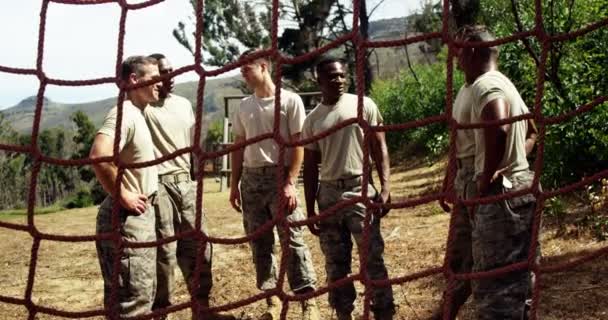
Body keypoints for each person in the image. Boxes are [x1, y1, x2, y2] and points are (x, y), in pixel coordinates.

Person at [447, 25, 539, 320]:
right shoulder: (471, 87)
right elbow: (531, 132)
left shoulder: (488, 84)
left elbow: (499, 128)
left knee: (496, 285)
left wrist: (491, 172)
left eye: (459, 49)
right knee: (464, 265)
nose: (455, 56)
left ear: (473, 50)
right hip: (478, 185)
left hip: (496, 194)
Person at [229, 50, 320, 320]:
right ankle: (272, 301)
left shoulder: (289, 100)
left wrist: (290, 182)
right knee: (260, 243)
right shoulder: (244, 106)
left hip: (280, 178)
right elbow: (238, 146)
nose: (242, 74)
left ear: (263, 66)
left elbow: (298, 144)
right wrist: (234, 185)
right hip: (251, 178)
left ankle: (307, 302)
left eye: (246, 69)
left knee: (292, 239)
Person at [302, 56, 395, 320]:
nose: (339, 80)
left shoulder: (364, 105)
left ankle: (384, 311)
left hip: (360, 188)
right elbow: (310, 168)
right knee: (335, 264)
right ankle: (344, 313)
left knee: (372, 258)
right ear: (318, 80)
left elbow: (380, 147)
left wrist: (386, 187)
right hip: (329, 195)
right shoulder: (312, 120)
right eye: (332, 76)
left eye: (343, 75)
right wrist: (311, 208)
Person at [143, 54, 234, 320]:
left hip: (186, 183)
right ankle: (162, 313)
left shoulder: (183, 104)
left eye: (172, 71)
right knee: (165, 255)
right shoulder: (141, 107)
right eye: (162, 72)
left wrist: (194, 180)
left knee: (200, 247)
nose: (169, 77)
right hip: (158, 185)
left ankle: (201, 309)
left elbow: (191, 147)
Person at [90, 55, 160, 317]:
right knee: (134, 303)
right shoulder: (124, 114)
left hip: (139, 216)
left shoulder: (139, 113)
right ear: (134, 79)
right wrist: (124, 195)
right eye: (154, 78)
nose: (160, 84)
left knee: (133, 298)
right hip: (126, 219)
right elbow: (99, 155)